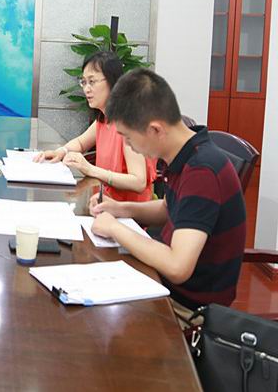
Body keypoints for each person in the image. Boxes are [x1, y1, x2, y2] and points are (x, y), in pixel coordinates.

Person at [90, 68, 246, 316]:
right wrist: (120, 208)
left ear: (155, 130)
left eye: (128, 138)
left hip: (188, 307)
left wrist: (114, 228)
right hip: (163, 284)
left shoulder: (203, 171)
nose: (129, 146)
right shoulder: (186, 154)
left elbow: (177, 266)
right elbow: (167, 208)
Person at [35, 51, 156, 202]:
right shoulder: (104, 117)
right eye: (84, 82)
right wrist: (61, 151)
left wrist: (90, 169)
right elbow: (81, 143)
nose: (86, 89)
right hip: (104, 204)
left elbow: (138, 181)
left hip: (128, 211)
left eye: (92, 82)